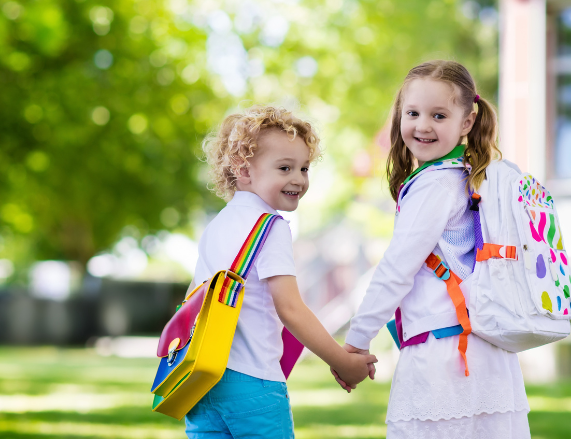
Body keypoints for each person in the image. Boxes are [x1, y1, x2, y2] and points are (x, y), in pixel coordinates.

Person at [339, 61, 530, 438]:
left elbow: (397, 269)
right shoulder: (471, 175)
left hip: (443, 357)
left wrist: (355, 343)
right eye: (412, 113)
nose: (422, 125)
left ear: (467, 122)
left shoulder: (434, 185)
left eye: (438, 115)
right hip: (485, 351)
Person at [186, 105, 377, 438]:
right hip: (253, 381)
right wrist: (343, 361)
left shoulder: (217, 225)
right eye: (284, 167)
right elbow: (290, 308)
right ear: (244, 171)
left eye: (304, 168)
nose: (298, 179)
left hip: (202, 382)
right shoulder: (270, 226)